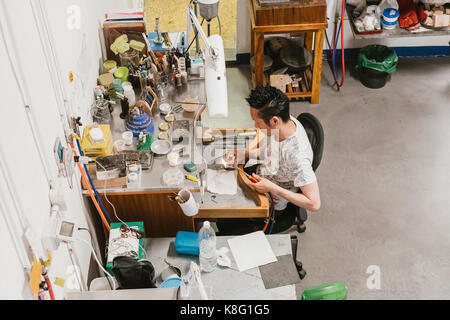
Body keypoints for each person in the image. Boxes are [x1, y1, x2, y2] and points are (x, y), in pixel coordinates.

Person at [217, 86, 321, 235]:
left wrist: (272, 188)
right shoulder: (286, 122)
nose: (255, 126)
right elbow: (272, 151)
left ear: (274, 121)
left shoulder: (297, 157)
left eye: (258, 123)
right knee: (222, 187)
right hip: (261, 177)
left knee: (225, 223)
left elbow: (314, 203)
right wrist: (244, 154)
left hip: (270, 203)